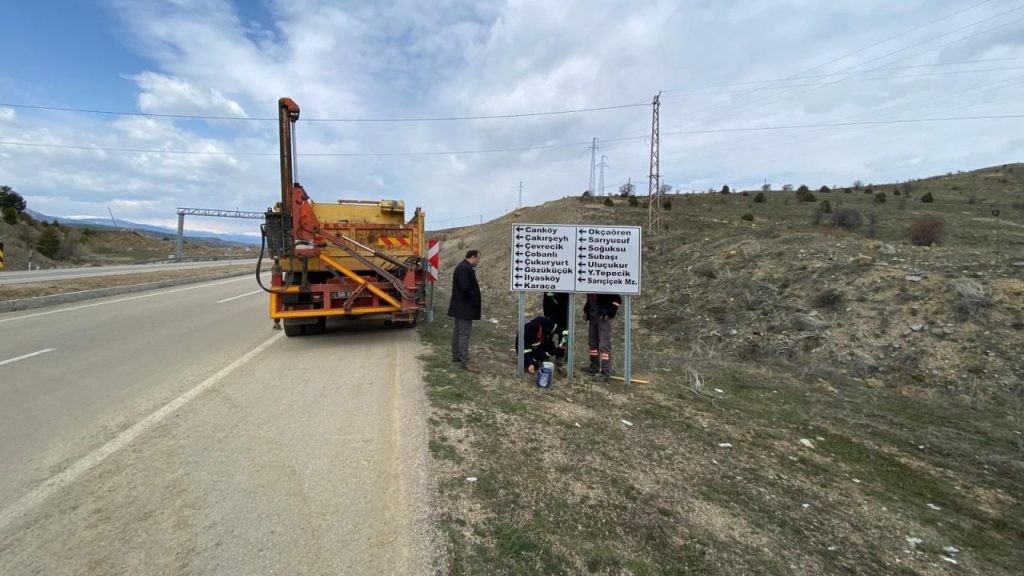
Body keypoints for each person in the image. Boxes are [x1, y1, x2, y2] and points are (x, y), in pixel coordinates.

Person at [447, 249, 481, 371]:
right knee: (464, 334)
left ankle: (456, 356)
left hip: (460, 307)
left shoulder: (463, 267)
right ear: (472, 257)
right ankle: (465, 362)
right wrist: (473, 301)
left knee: (458, 332)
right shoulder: (464, 268)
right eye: (478, 258)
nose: (478, 261)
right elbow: (466, 287)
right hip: (464, 307)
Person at [584, 293, 622, 380]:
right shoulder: (589, 285)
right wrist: (586, 312)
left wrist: (609, 312)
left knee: (604, 346)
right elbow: (590, 301)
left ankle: (605, 372)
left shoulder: (605, 285)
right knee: (592, 343)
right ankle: (594, 367)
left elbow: (617, 300)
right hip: (593, 317)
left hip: (604, 318)